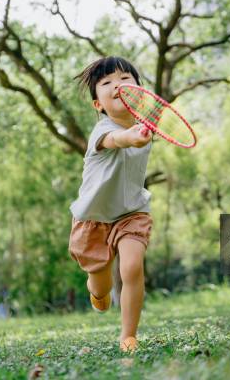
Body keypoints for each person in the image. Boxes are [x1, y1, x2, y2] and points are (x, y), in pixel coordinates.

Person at [70, 56, 153, 353]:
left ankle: (128, 336)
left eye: (124, 79)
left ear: (140, 92)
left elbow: (135, 136)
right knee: (101, 285)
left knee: (131, 268)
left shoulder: (145, 127)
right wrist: (131, 136)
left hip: (132, 212)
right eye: (107, 83)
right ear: (98, 104)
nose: (117, 85)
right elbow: (116, 139)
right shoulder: (102, 130)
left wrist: (139, 134)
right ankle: (98, 292)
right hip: (93, 218)